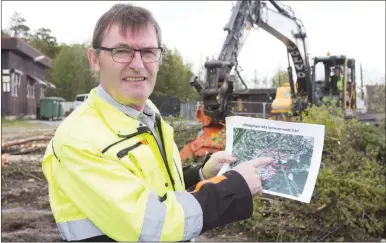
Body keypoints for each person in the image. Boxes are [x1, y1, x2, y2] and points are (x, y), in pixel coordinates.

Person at [42, 3, 273, 242]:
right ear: (95, 59)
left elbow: (157, 187)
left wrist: (202, 174)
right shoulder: (79, 139)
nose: (138, 64)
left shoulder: (148, 116)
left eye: (149, 52)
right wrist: (233, 187)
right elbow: (150, 223)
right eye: (121, 51)